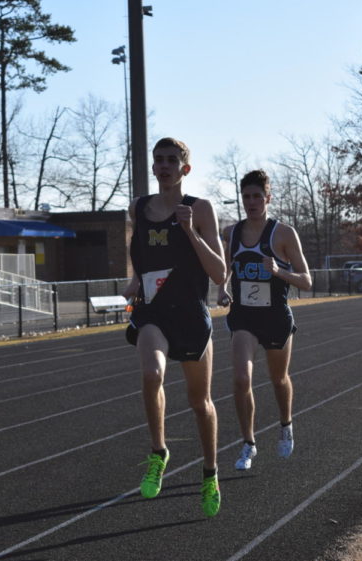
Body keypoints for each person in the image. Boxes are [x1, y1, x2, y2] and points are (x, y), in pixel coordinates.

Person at [122, 137, 226, 517]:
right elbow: (141, 257)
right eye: (158, 160)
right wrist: (135, 283)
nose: (164, 165)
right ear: (153, 167)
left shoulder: (199, 209)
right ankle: (158, 452)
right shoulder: (140, 208)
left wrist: (191, 233)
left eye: (172, 160)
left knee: (201, 403)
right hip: (154, 312)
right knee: (152, 373)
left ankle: (210, 474)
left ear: (186, 168)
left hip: (191, 314)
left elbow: (218, 272)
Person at [218, 170, 312, 471]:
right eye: (246, 196)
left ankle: (285, 425)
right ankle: (248, 443)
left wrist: (278, 271)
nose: (251, 202)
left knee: (278, 379)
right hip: (244, 316)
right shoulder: (231, 233)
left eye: (257, 196)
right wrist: (221, 289)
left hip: (275, 316)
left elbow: (307, 281)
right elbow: (226, 269)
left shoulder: (283, 234)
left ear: (268, 198)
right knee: (241, 378)